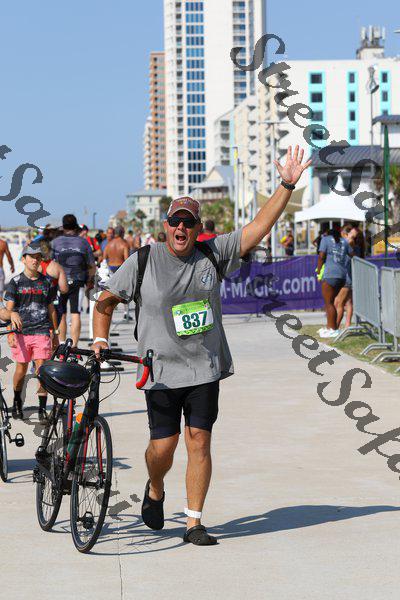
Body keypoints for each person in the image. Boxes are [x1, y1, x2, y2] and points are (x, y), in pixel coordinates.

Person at [92, 145, 311, 546]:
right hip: (159, 371)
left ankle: (194, 522)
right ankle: (155, 486)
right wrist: (100, 339)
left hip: (204, 368)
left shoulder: (212, 254)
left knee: (199, 440)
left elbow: (258, 226)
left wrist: (286, 185)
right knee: (163, 447)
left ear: (197, 229)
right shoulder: (143, 260)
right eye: (175, 221)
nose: (181, 228)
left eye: (188, 223)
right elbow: (104, 302)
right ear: (166, 226)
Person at [4, 245, 59, 422]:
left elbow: (51, 309)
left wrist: (56, 332)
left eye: (38, 257)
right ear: (23, 259)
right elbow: (9, 310)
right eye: (31, 257)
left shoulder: (47, 282)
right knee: (21, 369)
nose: (35, 260)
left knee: (42, 370)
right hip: (21, 332)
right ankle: (17, 401)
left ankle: (42, 409)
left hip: (42, 331)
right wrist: (10, 332)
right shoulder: (15, 282)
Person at [51, 214, 96, 346]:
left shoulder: (55, 242)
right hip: (78, 280)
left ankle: (62, 344)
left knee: (62, 313)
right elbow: (91, 265)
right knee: (76, 312)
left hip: (60, 281)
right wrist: (90, 280)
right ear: (76, 227)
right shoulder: (83, 242)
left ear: (63, 227)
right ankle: (74, 346)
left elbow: (49, 263)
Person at [317, 224, 353, 338]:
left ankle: (332, 329)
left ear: (328, 233)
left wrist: (319, 270)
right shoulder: (344, 241)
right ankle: (330, 328)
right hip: (342, 275)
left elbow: (321, 256)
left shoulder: (325, 239)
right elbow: (352, 254)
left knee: (329, 303)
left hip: (330, 274)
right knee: (332, 302)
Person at [334, 226, 357, 329]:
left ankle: (335, 327)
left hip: (346, 279)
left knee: (338, 303)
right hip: (346, 277)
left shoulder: (349, 243)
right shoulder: (345, 245)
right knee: (347, 302)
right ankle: (346, 326)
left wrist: (351, 235)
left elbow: (350, 241)